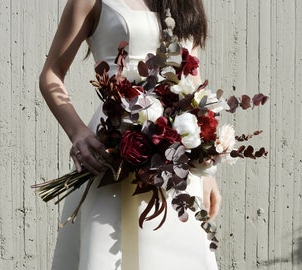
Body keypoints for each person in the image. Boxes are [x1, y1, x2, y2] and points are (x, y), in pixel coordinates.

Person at [39, 0, 221, 269]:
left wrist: (208, 170)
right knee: (111, 252)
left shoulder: (186, 3)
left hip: (178, 156)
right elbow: (51, 73)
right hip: (114, 149)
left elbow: (193, 80)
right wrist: (77, 132)